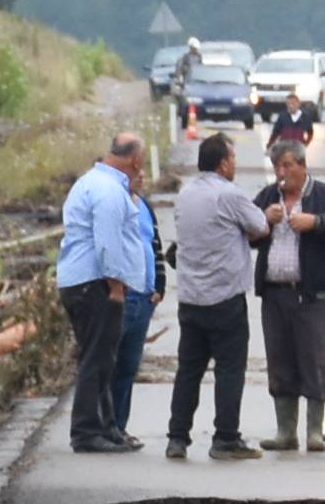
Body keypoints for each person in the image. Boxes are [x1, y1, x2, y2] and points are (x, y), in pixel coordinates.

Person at [245, 137, 325, 453]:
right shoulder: (268, 197)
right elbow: (246, 235)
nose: (281, 172)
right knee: (280, 360)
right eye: (276, 166)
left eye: (286, 165)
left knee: (315, 360)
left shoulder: (324, 196)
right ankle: (285, 431)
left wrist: (316, 222)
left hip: (311, 296)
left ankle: (314, 431)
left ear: (302, 165)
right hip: (275, 294)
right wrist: (262, 221)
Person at [53, 133, 156, 453]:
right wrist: (115, 287)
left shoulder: (92, 181)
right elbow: (108, 243)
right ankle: (86, 431)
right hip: (95, 284)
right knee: (96, 359)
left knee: (103, 358)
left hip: (81, 280)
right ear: (136, 160)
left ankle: (108, 427)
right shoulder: (109, 191)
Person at [165, 134, 265, 460]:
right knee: (229, 369)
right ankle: (225, 438)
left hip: (190, 297)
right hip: (225, 297)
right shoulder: (228, 194)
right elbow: (260, 226)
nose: (235, 164)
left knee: (189, 370)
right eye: (233, 158)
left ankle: (177, 437)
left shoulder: (186, 193)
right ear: (223, 163)